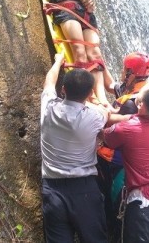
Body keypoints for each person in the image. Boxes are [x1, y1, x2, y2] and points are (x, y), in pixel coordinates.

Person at [39, 53, 109, 243]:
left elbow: (48, 82)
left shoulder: (48, 107)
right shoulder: (94, 117)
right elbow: (106, 112)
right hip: (84, 189)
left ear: (63, 90)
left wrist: (58, 61)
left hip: (52, 190)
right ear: (88, 95)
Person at [102, 80, 149, 243]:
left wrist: (102, 115)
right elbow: (135, 120)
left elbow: (105, 136)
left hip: (144, 209)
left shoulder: (126, 128)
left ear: (140, 104)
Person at [97, 51, 149, 242]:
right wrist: (100, 64)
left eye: (125, 70)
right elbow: (110, 85)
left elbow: (108, 126)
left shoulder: (132, 104)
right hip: (117, 161)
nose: (122, 73)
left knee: (107, 203)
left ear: (133, 74)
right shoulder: (136, 90)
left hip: (115, 162)